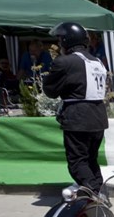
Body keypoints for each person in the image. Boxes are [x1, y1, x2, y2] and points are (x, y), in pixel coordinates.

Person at [43, 22, 109, 194]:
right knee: (91, 159)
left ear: (66, 40)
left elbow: (50, 90)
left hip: (78, 117)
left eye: (59, 40)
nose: (58, 44)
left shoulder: (65, 62)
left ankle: (93, 192)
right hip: (98, 116)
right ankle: (97, 189)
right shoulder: (97, 61)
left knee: (77, 161)